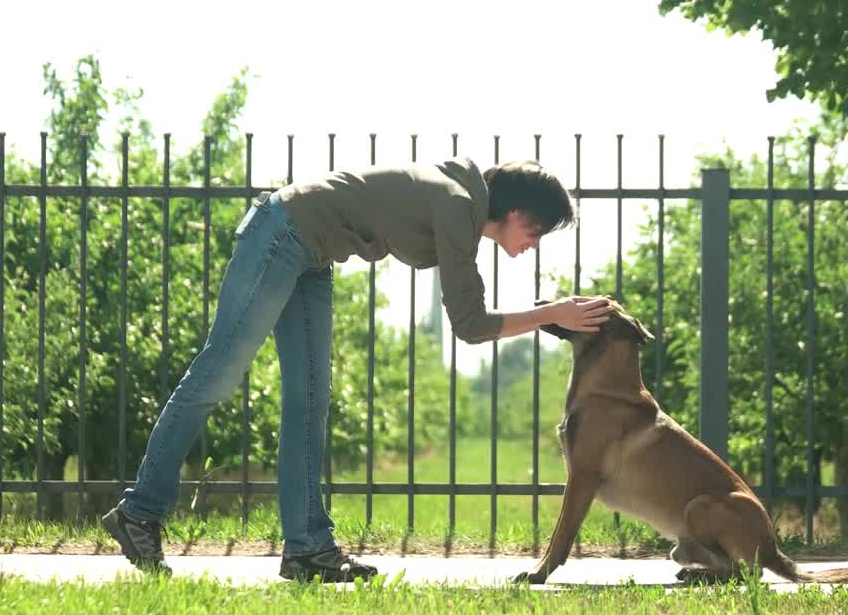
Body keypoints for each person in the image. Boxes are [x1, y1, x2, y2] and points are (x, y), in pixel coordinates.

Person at [102, 157, 611, 581]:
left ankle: (307, 548)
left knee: (309, 400)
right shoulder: (459, 205)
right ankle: (140, 511)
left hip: (311, 255)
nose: (536, 242)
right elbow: (471, 325)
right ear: (516, 210)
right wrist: (553, 313)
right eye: (538, 230)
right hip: (281, 234)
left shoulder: (462, 199)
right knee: (219, 372)